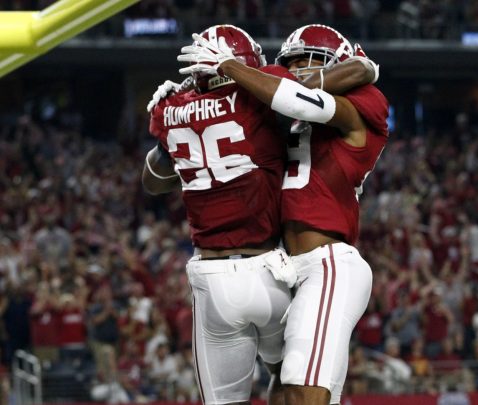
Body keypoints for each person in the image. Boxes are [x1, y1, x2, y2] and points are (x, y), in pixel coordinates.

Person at [145, 24, 379, 405]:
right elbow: (302, 93)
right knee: (292, 381)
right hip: (272, 271)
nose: (297, 68)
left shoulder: (172, 110)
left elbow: (153, 181)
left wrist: (167, 127)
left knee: (277, 389)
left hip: (216, 277)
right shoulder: (260, 98)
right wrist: (367, 67)